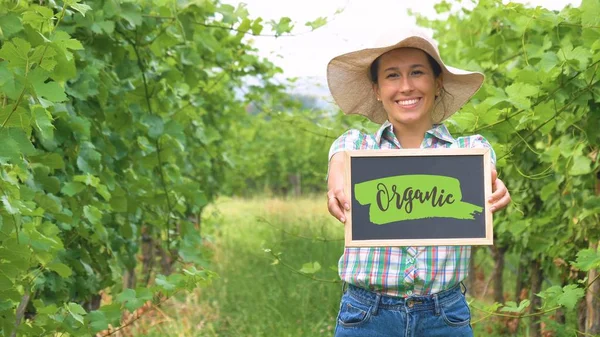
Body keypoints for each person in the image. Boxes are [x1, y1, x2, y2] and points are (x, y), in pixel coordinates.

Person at [325, 29, 511, 336]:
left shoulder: (468, 150)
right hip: (366, 317)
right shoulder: (356, 147)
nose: (406, 86)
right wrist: (336, 181)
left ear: (437, 83)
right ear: (377, 89)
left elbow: (487, 172)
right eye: (392, 75)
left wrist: (494, 188)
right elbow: (340, 161)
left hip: (444, 318)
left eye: (417, 72)